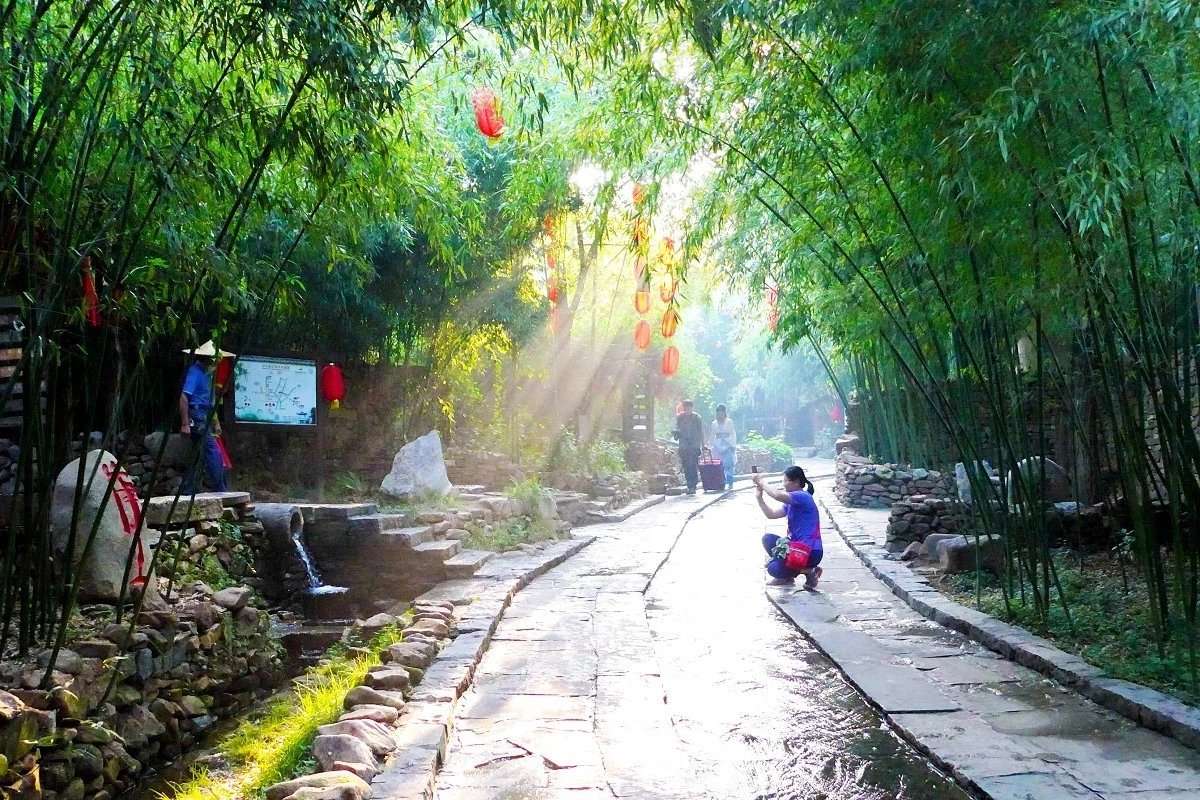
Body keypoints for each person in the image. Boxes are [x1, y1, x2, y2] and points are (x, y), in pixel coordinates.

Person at [754, 466, 823, 589]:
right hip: (796, 548)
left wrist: (761, 482)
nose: (784, 484)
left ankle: (809, 571)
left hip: (810, 552)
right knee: (768, 539)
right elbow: (772, 515)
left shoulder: (803, 496)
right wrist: (759, 498)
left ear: (796, 482)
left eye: (786, 481)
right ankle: (788, 576)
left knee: (773, 568)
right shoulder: (792, 502)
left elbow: (776, 495)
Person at [179, 340, 231, 493]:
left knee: (197, 454)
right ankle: (220, 489)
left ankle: (188, 489)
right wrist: (185, 423)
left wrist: (214, 421)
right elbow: (184, 396)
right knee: (212, 451)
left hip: (203, 414)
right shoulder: (195, 372)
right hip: (197, 414)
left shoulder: (206, 374)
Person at [673, 399, 704, 495]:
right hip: (683, 446)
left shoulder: (697, 418)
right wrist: (675, 433)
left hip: (694, 446)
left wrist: (703, 444)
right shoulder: (680, 418)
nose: (687, 409)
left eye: (689, 407)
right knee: (686, 466)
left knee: (693, 465)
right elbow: (676, 429)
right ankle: (689, 485)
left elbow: (700, 432)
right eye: (685, 407)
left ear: (692, 408)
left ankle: (693, 486)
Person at [710, 404, 737, 490]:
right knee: (719, 466)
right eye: (718, 413)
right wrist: (712, 445)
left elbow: (732, 434)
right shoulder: (714, 423)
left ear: (724, 413)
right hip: (717, 446)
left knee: (728, 465)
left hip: (728, 445)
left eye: (722, 412)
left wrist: (732, 445)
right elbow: (712, 436)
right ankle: (721, 483)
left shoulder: (729, 422)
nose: (720, 414)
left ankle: (730, 482)